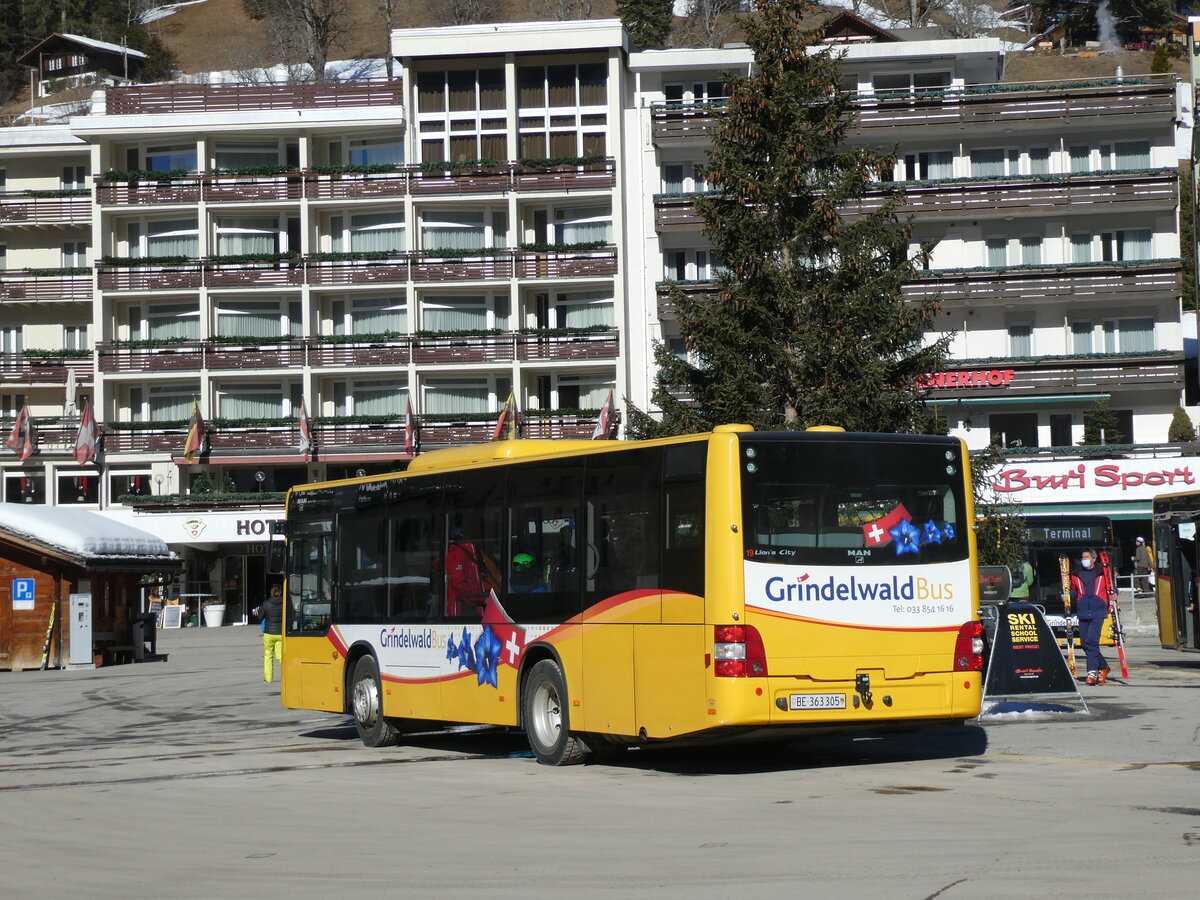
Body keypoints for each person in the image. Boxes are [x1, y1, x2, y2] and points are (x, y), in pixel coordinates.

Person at [1070, 548, 1114, 685]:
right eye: (1083, 557)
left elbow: (1111, 586)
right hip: (1083, 611)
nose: (1084, 559)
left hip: (1098, 611)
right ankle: (1104, 667)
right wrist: (1066, 596)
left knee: (1091, 642)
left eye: (1087, 557)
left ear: (1094, 559)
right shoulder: (1076, 574)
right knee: (1084, 643)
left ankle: (1092, 672)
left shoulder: (1102, 572)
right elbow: (1073, 590)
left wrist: (1114, 594)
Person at [261, 583, 284, 683]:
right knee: (281, 656)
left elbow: (260, 616)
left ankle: (268, 678)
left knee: (268, 655)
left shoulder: (266, 604)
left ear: (271, 592)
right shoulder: (285, 602)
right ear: (280, 592)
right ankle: (286, 676)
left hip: (269, 633)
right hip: (280, 633)